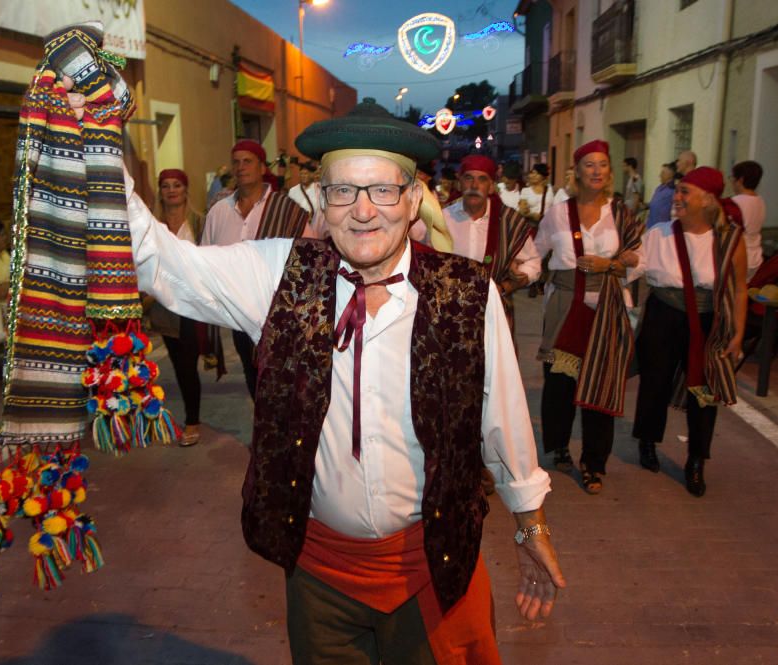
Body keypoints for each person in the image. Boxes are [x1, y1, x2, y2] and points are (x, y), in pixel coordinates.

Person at [118, 96, 566, 663]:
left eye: (382, 189)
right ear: (320, 202)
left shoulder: (469, 292)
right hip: (320, 575)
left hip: (429, 566)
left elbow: (502, 420)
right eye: (342, 191)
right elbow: (159, 260)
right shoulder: (279, 274)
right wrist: (98, 145)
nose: (362, 210)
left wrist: (530, 529)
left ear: (411, 200)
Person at [534, 140, 642, 495]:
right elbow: (535, 253)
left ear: (610, 172)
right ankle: (559, 446)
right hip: (565, 305)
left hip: (608, 308)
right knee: (561, 385)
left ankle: (594, 462)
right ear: (577, 171)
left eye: (603, 165)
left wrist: (611, 264)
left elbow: (640, 260)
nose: (596, 171)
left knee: (601, 385)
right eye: (589, 165)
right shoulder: (558, 213)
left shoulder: (623, 214)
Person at [631, 167, 747, 497]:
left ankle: (696, 460)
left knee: (704, 391)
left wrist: (737, 335)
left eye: (684, 192)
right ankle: (648, 443)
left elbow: (740, 289)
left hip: (709, 319)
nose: (675, 198)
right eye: (676, 191)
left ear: (708, 200)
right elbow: (634, 265)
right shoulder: (658, 233)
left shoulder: (729, 240)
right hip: (663, 314)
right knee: (655, 381)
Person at [200, 139, 316, 400]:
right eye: (237, 162)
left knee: (283, 378)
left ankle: (286, 434)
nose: (241, 167)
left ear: (262, 167)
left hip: (279, 314)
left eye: (248, 161)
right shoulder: (219, 211)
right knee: (253, 377)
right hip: (240, 315)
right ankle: (267, 432)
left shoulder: (285, 209)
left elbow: (309, 255)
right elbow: (205, 258)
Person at [441, 154, 540, 335]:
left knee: (495, 363)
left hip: (495, 312)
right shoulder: (442, 219)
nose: (474, 186)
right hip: (449, 312)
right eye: (468, 178)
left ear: (491, 186)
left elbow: (533, 261)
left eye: (482, 179)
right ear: (460, 182)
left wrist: (518, 279)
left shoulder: (509, 220)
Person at [144, 168, 208, 446]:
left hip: (193, 305)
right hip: (163, 307)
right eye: (166, 186)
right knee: (181, 366)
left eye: (177, 185)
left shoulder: (200, 222)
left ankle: (192, 420)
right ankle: (191, 419)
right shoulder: (152, 226)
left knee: (189, 364)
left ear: (186, 190)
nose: (171, 190)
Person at [730, 160, 766, 278]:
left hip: (738, 258)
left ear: (740, 180)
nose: (731, 182)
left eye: (732, 177)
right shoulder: (760, 201)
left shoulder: (735, 203)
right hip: (755, 257)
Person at [646, 162, 677, 228]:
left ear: (670, 175)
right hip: (651, 226)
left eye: (663, 173)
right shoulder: (659, 188)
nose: (660, 175)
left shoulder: (673, 191)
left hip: (663, 228)